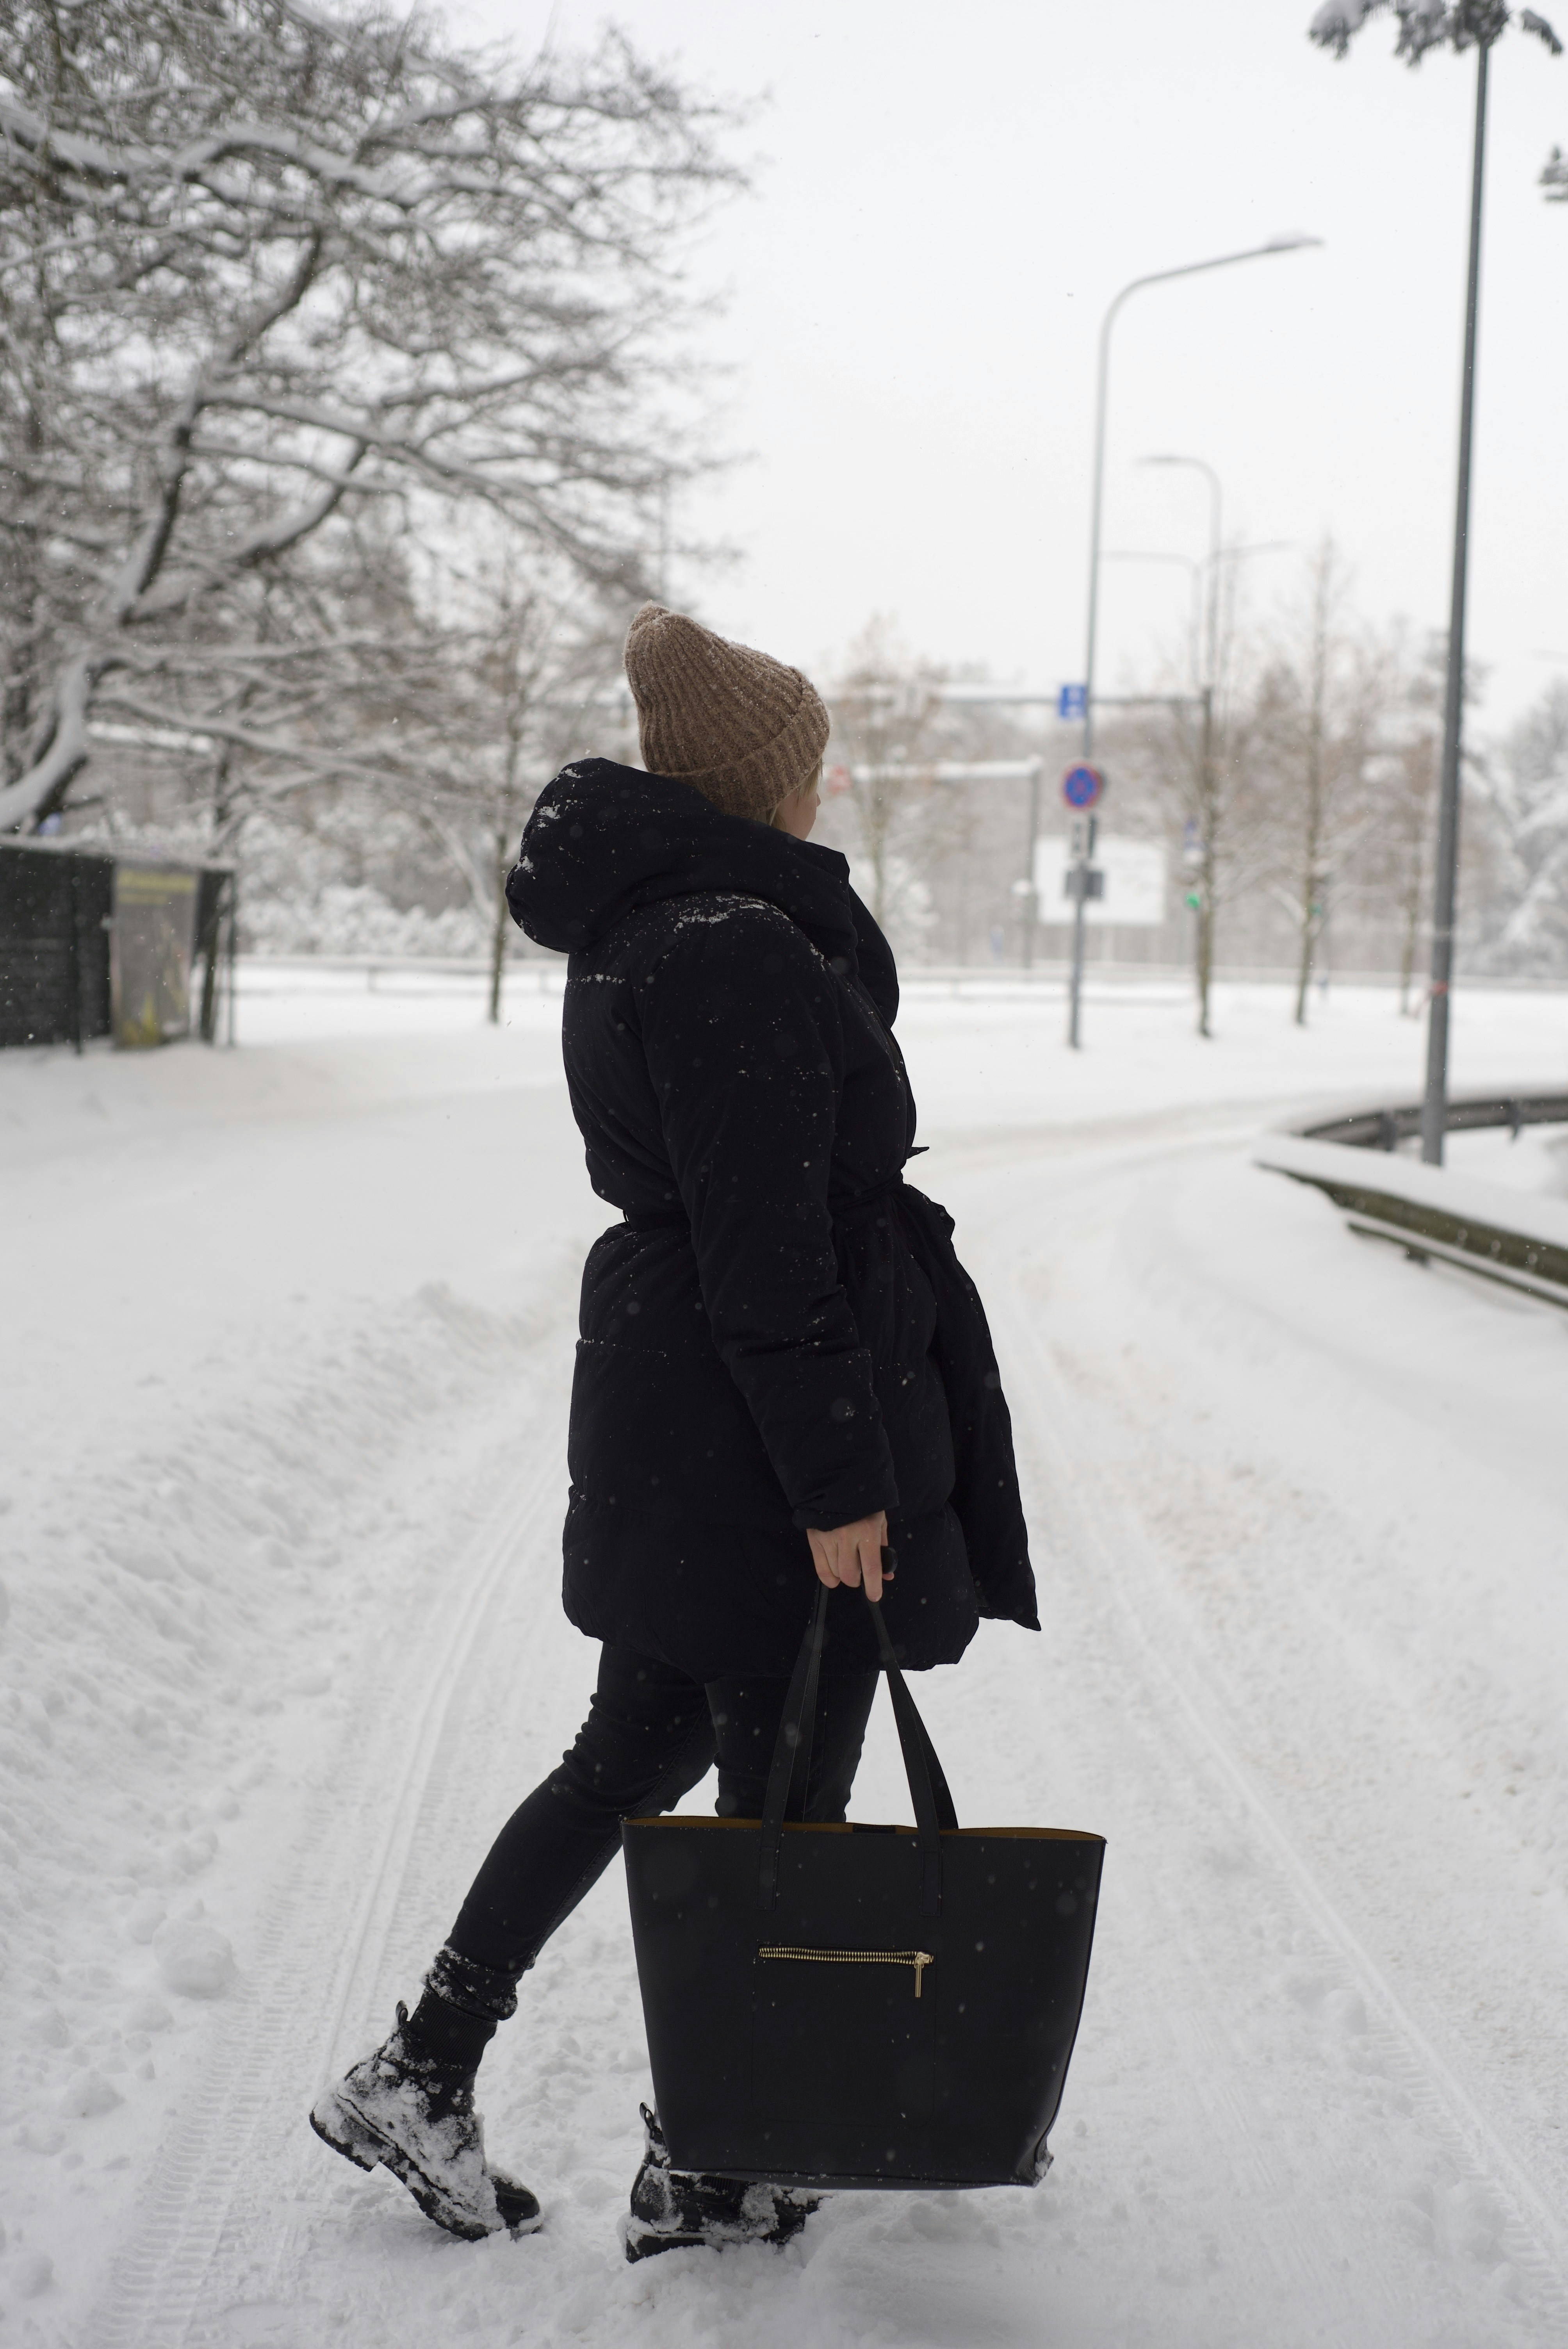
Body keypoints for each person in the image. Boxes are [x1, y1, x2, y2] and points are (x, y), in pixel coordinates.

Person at [310, 606, 1039, 2259]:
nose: (822, 777)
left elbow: (744, 1232)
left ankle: (422, 2064)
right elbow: (769, 1252)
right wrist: (840, 1484)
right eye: (806, 755)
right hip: (743, 1431)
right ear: (757, 777)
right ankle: (719, 2148)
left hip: (684, 1408)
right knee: (783, 1792)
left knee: (634, 1750)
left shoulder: (665, 924)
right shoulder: (727, 942)